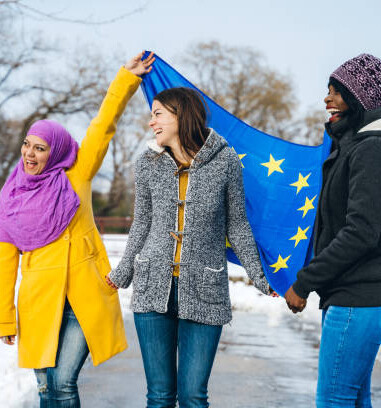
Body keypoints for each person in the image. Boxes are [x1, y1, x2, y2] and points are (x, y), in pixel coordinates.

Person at [0, 51, 155, 407]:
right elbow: (4, 263)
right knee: (45, 388)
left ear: (54, 152)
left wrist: (125, 80)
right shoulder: (10, 196)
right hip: (38, 302)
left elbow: (102, 126)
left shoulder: (77, 176)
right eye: (27, 145)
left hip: (82, 299)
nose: (30, 153)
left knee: (64, 382)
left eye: (40, 148)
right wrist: (4, 318)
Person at [106, 86, 273, 407]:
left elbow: (237, 224)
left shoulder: (225, 161)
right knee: (159, 396)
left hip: (205, 289)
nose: (151, 122)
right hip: (152, 288)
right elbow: (142, 222)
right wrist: (124, 270)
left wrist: (259, 276)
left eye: (157, 114)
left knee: (193, 396)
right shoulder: (146, 164)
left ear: (180, 115)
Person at [284, 54, 381, 407]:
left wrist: (305, 281)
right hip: (362, 293)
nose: (327, 99)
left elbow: (361, 232)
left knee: (334, 400)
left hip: (361, 296)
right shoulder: (360, 145)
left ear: (361, 99)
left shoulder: (373, 150)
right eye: (328, 90)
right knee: (353, 399)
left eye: (337, 91)